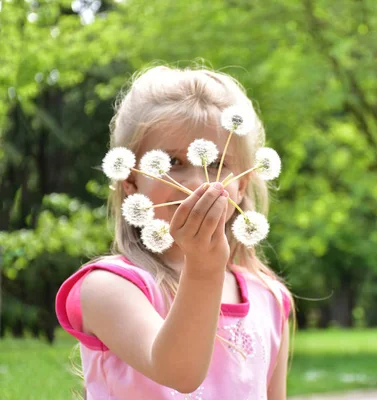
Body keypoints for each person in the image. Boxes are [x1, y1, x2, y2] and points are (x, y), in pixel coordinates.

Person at [55, 66, 292, 400]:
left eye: (217, 164)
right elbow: (179, 373)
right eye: (173, 162)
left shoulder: (269, 297)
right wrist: (204, 267)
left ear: (242, 184)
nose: (197, 182)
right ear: (131, 181)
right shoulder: (108, 288)